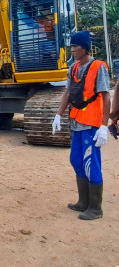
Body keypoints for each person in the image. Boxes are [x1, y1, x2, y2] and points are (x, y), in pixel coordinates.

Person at [52, 31, 110, 220]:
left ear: (85, 47)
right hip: (77, 121)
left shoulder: (98, 67)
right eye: (72, 46)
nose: (73, 50)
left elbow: (106, 96)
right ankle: (83, 202)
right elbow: (68, 92)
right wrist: (58, 115)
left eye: (76, 46)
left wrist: (104, 125)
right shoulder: (74, 68)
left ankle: (95, 208)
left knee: (91, 163)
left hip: (92, 123)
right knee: (76, 160)